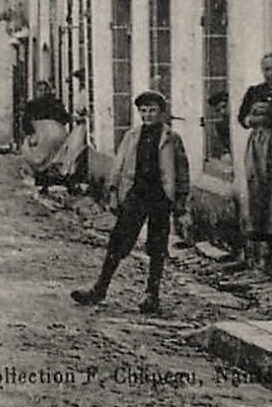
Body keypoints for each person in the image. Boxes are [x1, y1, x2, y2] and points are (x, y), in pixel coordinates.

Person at [72, 90, 190, 314]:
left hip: (160, 197)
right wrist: (114, 192)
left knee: (157, 246)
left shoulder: (171, 139)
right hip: (135, 194)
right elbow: (118, 165)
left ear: (162, 113)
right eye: (143, 111)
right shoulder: (132, 136)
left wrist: (181, 199)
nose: (147, 115)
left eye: (152, 110)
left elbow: (182, 171)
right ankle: (100, 288)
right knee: (118, 241)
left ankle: (152, 295)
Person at [238, 53, 272, 261]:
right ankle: (261, 237)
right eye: (267, 69)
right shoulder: (255, 91)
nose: (271, 73)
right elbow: (243, 119)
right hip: (259, 145)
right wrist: (255, 117)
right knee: (258, 186)